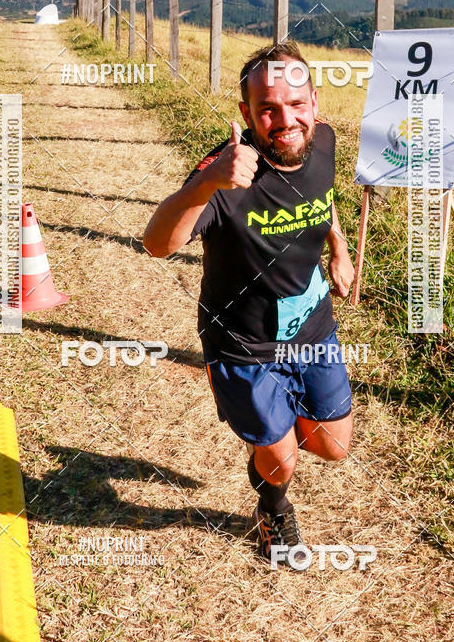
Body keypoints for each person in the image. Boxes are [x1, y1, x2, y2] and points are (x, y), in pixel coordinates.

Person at [143, 40, 355, 565]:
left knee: (333, 446)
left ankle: (273, 433)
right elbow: (157, 244)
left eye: (297, 105)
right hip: (243, 342)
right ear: (246, 114)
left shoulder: (321, 143)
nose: (286, 119)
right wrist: (207, 183)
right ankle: (272, 503)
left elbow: (323, 202)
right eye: (268, 109)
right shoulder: (224, 176)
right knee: (281, 458)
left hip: (312, 327)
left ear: (315, 105)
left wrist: (340, 248)